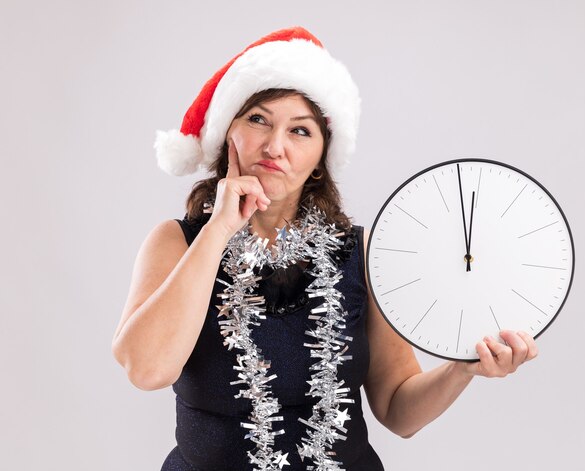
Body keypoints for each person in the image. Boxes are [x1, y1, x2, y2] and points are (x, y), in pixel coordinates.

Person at [111, 27, 538, 471]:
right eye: (258, 119)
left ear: (320, 159)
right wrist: (219, 229)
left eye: (300, 131)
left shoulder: (358, 251)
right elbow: (147, 371)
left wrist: (462, 368)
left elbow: (397, 409)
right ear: (227, 132)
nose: (275, 146)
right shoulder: (177, 241)